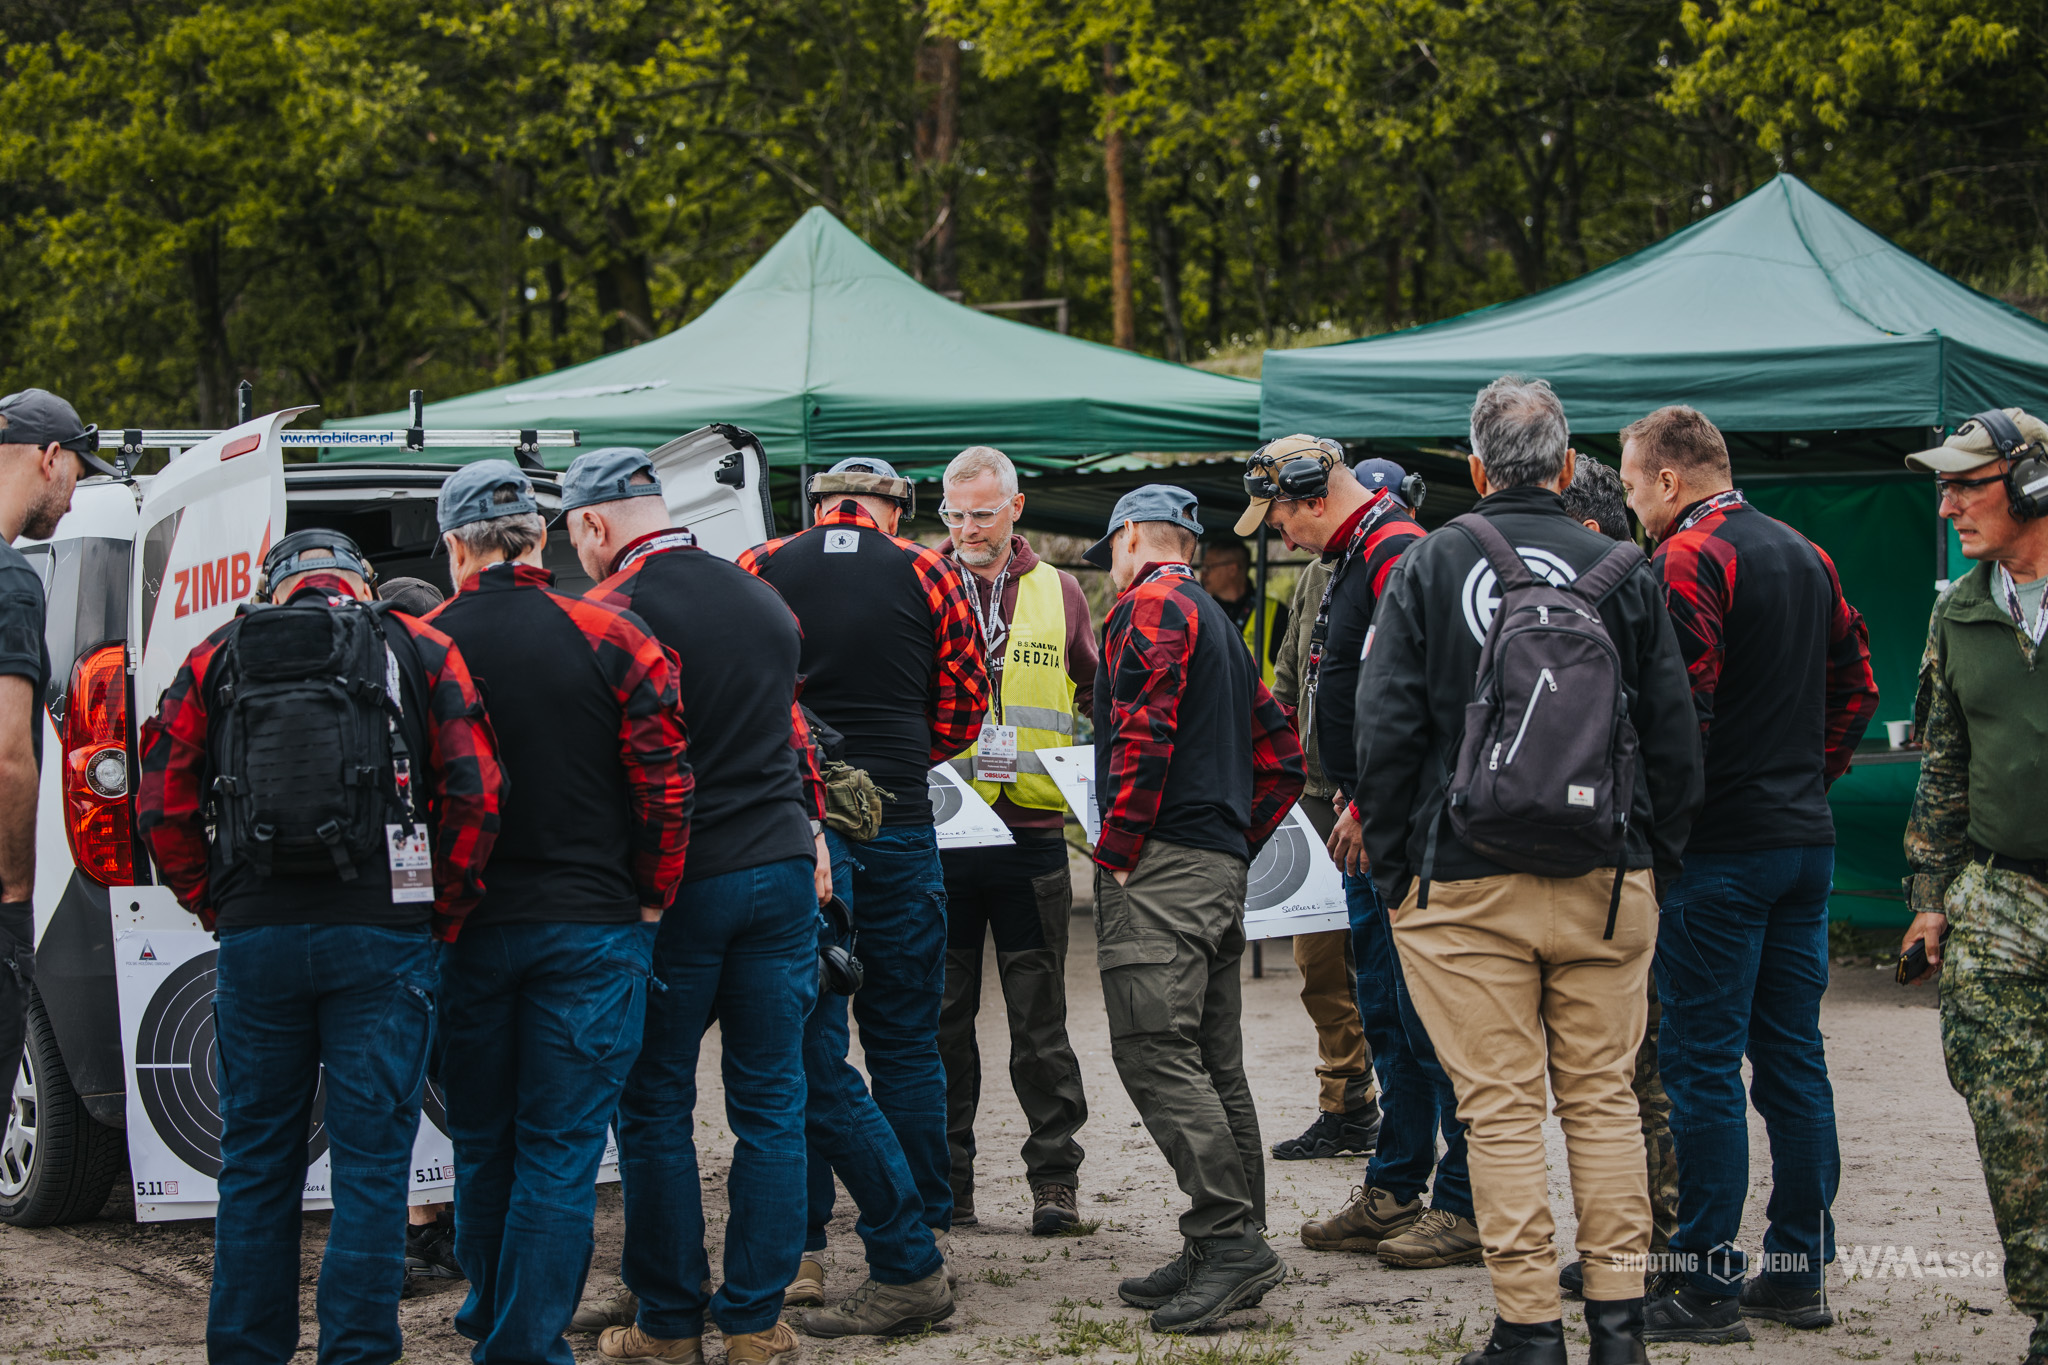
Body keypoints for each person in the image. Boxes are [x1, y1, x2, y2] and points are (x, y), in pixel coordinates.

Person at [1355, 377, 1704, 1365]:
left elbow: (1381, 731)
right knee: (1602, 1102)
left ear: (1472, 469)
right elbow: (1674, 742)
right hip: (1606, 877)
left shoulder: (1427, 565)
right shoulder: (1626, 567)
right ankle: (1621, 1328)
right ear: (1563, 467)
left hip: (1462, 881)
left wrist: (1393, 871)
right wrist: (1651, 863)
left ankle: (1525, 1329)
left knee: (1498, 1108)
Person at [135, 530, 504, 1365]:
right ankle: (359, 1349)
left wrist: (215, 903)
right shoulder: (416, 645)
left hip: (257, 935)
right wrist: (436, 912)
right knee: (373, 1164)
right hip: (385, 933)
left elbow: (160, 803)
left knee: (256, 1159)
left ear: (275, 589)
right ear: (361, 583)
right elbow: (478, 793)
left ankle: (245, 1350)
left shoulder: (215, 656)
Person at [552, 449, 822, 1365]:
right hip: (781, 866)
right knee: (772, 1102)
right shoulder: (759, 593)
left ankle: (668, 1325)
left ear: (594, 525)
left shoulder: (609, 614)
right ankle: (753, 1322)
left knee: (655, 1100)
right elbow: (792, 732)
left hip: (680, 885)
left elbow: (604, 770)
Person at [1619, 405, 1879, 1343]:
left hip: (1721, 852)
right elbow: (1860, 683)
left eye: (1634, 480)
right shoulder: (1806, 551)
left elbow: (1680, 712)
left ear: (1672, 480)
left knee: (1700, 1066)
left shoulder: (1686, 559)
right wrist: (1812, 775)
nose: (1631, 496)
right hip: (1803, 839)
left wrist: (1667, 822)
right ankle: (1798, 1271)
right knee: (1793, 1058)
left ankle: (1702, 1285)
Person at [423, 460, 692, 1365]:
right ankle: (520, 1343)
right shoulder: (611, 631)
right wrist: (653, 893)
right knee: (562, 1149)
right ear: (543, 538)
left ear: (455, 546)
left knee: (484, 1141)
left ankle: (496, 1320)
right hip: (591, 927)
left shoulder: (423, 644)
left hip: (468, 929)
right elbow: (664, 783)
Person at [739, 457, 988, 1336]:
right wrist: (904, 757)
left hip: (799, 824)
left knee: (806, 1038)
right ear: (894, 509)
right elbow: (966, 700)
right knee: (906, 1038)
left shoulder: (760, 565)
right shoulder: (926, 569)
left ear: (817, 506)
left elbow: (743, 689)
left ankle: (802, 1249)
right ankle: (921, 1229)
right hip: (901, 822)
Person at [1242, 441, 1476, 1270]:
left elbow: (1432, 700)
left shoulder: (1399, 555)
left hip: (1399, 827)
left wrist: (1376, 805)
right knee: (1384, 1012)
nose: (1278, 530)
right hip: (1362, 818)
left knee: (1427, 1020)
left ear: (1308, 496)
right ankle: (1396, 1183)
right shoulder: (1356, 556)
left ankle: (1464, 1203)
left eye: (1278, 513)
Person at [1084, 485, 1306, 1334]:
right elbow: (1281, 756)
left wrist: (1121, 848)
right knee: (1213, 1060)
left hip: (1162, 865)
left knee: (1153, 1050)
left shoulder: (1150, 605)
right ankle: (1234, 1237)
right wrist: (1229, 840)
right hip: (1209, 862)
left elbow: (1143, 736)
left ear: (1133, 536)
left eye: (1113, 545)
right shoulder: (1214, 616)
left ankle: (1227, 1240)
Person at [1898, 409, 2048, 1365]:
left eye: (1969, 486)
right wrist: (1931, 895)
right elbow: (1943, 764)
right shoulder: (1960, 610)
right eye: (1945, 486)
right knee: (2010, 1120)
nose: (1948, 505)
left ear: (2033, 486)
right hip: (1999, 896)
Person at [932, 446, 1094, 1235]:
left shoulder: (1060, 591)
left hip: (1029, 837)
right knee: (941, 1018)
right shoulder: (919, 585)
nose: (966, 528)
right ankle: (948, 1182)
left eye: (982, 513)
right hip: (939, 838)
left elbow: (1099, 691)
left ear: (1016, 508)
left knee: (1039, 1021)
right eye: (954, 514)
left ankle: (1054, 1181)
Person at [1552, 455, 1678, 1298]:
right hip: (1651, 850)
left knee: (1640, 1071)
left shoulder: (1623, 591)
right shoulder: (1652, 586)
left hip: (1623, 857)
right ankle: (1656, 1239)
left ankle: (1654, 1243)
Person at [0, 390, 117, 1094]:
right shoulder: (11, 582)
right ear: (49, 458)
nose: (73, 497)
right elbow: (10, 755)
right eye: (76, 472)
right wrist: (16, 893)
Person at [1268, 551, 1380, 1160]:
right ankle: (1348, 1104)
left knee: (1389, 966)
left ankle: (1426, 1118)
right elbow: (1290, 669)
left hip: (1377, 797)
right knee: (1318, 960)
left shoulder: (1397, 561)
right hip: (1312, 791)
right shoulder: (1315, 576)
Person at [1198, 535, 1288, 683]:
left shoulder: (1276, 613)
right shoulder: (1200, 611)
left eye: (1209, 567)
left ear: (1232, 569)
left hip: (1264, 705)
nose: (1203, 574)